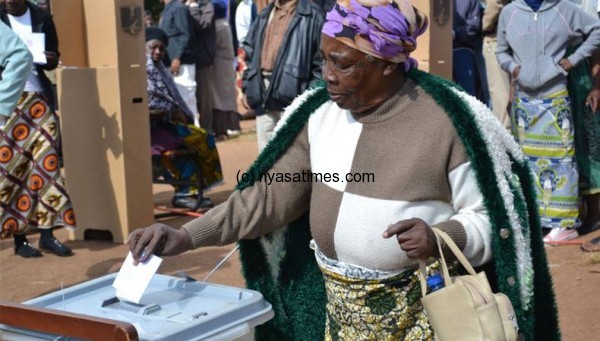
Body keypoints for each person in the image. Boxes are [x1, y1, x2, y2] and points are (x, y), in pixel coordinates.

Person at [128, 1, 559, 339]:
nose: (328, 76)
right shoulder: (318, 114)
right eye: (325, 61)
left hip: (424, 319)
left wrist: (441, 238)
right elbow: (267, 195)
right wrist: (186, 236)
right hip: (337, 318)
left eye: (345, 64)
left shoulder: (446, 122)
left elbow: (494, 220)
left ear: (388, 64)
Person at [496, 0, 600, 243]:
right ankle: (540, 221)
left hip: (556, 96)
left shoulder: (564, 9)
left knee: (561, 159)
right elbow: (501, 50)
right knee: (529, 160)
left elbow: (597, 31)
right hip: (525, 101)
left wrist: (573, 61)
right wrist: (514, 70)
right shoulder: (510, 13)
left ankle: (564, 223)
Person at [1, 0, 76, 257]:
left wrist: (51, 59)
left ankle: (47, 234)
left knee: (47, 166)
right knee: (13, 170)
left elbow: (53, 59)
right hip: (8, 103)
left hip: (39, 102)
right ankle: (20, 239)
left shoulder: (42, 17)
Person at [145, 27, 223, 210]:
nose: (157, 52)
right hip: (150, 128)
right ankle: (185, 192)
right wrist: (171, 111)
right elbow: (149, 101)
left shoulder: (159, 69)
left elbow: (170, 98)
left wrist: (176, 112)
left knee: (204, 137)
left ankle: (193, 191)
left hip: (165, 124)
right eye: (153, 47)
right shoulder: (141, 70)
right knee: (194, 141)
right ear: (144, 47)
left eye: (161, 49)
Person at [240, 0, 324, 151]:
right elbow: (250, 53)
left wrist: (308, 98)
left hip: (294, 98)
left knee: (293, 157)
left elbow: (321, 64)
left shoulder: (313, 15)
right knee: (265, 158)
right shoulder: (265, 14)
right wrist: (247, 86)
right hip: (262, 93)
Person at [568, 0, 600, 239]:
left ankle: (595, 213)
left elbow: (596, 47)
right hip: (550, 83)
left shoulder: (584, 4)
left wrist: (596, 86)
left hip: (580, 82)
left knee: (587, 147)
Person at [159, 0, 198, 126]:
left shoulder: (179, 8)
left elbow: (185, 35)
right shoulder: (166, 10)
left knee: (187, 99)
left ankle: (196, 134)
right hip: (169, 64)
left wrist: (177, 57)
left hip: (182, 64)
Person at [211, 0, 241, 140]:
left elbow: (213, 46)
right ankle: (232, 125)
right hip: (227, 62)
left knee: (220, 97)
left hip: (220, 63)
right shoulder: (225, 23)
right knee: (228, 96)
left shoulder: (218, 26)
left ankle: (224, 127)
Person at [187, 0, 217, 133]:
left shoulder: (207, 6)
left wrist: (193, 7)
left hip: (203, 60)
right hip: (187, 61)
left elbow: (202, 24)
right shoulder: (182, 6)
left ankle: (207, 131)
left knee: (204, 99)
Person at [482, 0, 511, 129]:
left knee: (500, 94)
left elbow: (495, 2)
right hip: (510, 36)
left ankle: (505, 139)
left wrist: (485, 25)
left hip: (497, 38)